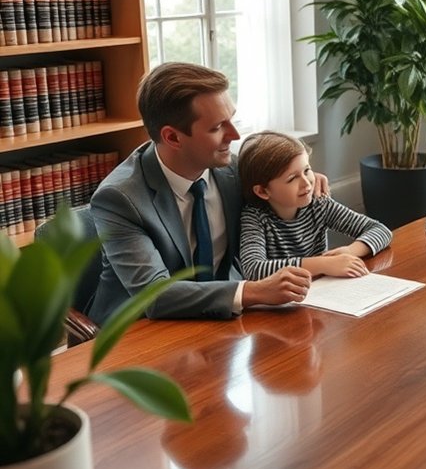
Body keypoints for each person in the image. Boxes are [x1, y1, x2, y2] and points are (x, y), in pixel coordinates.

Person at [89, 62, 327, 324]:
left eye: (232, 120)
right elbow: (154, 296)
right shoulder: (119, 198)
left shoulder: (235, 171)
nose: (234, 136)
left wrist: (299, 183)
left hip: (218, 318)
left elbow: (277, 218)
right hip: (138, 332)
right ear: (173, 138)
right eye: (217, 128)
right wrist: (253, 291)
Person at [238, 131, 391, 279]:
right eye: (292, 179)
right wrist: (322, 264)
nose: (306, 183)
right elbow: (254, 269)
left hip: (322, 290)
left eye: (307, 170)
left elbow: (381, 230)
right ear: (263, 191)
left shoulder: (319, 205)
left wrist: (350, 251)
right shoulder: (255, 217)